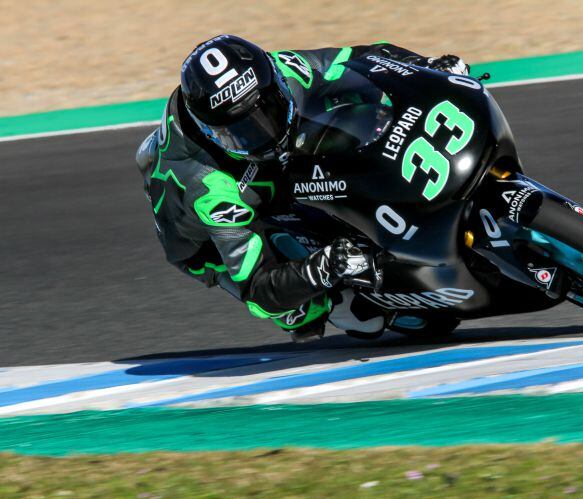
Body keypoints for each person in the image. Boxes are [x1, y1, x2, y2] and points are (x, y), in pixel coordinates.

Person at [136, 34, 469, 341]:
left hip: (265, 173)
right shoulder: (209, 189)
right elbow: (260, 291)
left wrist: (424, 67)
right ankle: (372, 309)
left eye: (269, 109)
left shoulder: (276, 69)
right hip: (208, 243)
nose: (264, 131)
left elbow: (360, 59)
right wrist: (323, 268)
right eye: (242, 131)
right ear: (210, 133)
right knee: (307, 311)